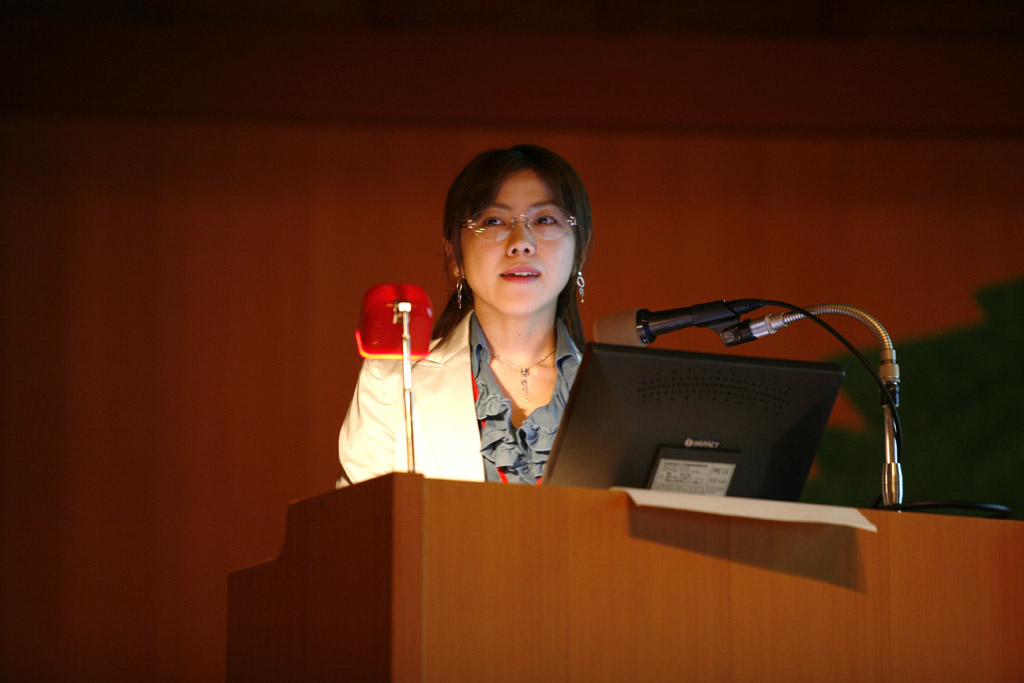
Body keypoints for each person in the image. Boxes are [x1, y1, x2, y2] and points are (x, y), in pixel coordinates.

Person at [337, 145, 593, 486]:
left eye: (545, 220)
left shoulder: (622, 395)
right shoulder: (392, 382)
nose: (521, 243)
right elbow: (360, 516)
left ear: (579, 251)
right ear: (454, 255)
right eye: (493, 221)